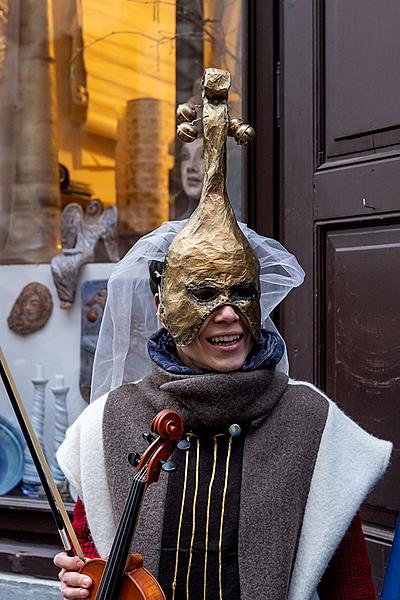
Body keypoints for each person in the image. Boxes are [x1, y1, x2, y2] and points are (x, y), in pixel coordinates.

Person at [54, 68, 392, 600]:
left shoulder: (311, 423)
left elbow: (351, 587)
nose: (229, 314)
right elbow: (94, 565)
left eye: (242, 293)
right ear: (165, 304)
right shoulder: (111, 424)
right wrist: (82, 582)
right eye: (205, 294)